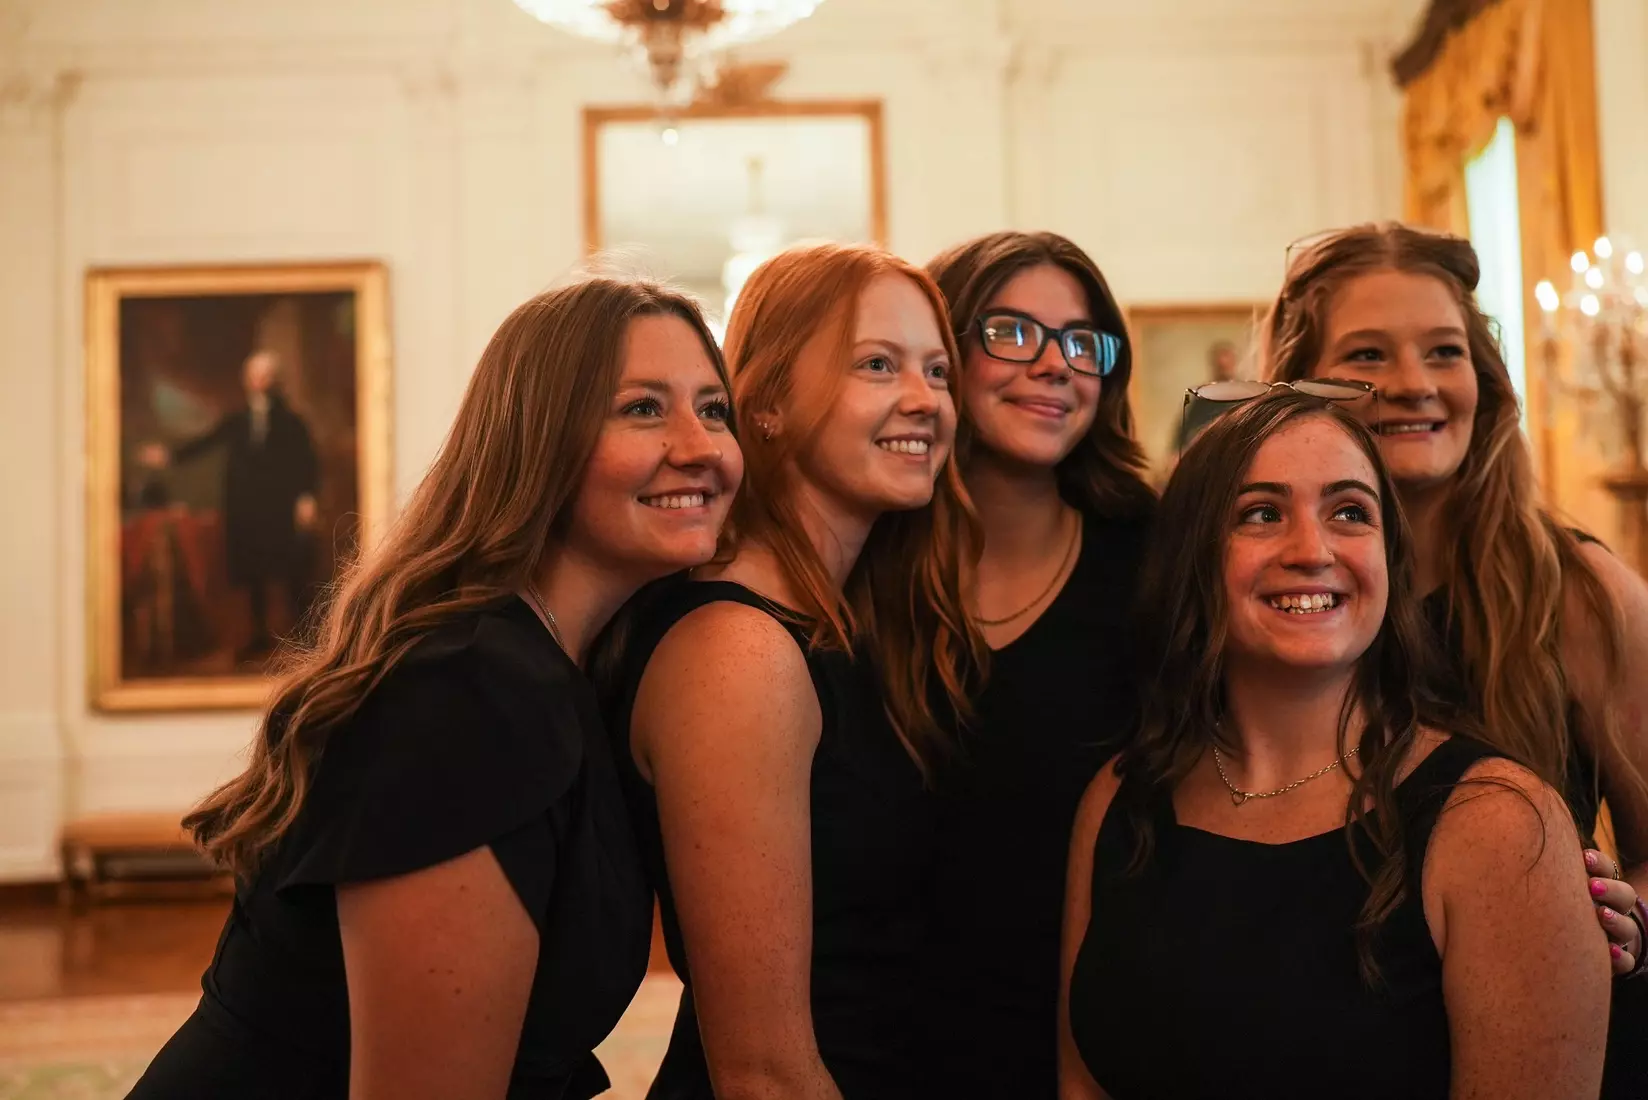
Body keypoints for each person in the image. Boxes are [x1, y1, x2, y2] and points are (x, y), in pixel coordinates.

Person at [128, 275, 743, 1100]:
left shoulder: (565, 670)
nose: (701, 446)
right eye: (642, 408)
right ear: (539, 441)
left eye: (714, 410)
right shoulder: (467, 690)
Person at [1060, 391, 1611, 1099]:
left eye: (1349, 512)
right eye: (1261, 514)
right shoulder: (1118, 799)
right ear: (1192, 557)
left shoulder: (1498, 824)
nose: (1311, 550)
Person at [1263, 222, 1648, 1093]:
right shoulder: (1273, 599)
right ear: (1298, 385)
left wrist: (1636, 914)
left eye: (1443, 351)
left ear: (1483, 376)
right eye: (1367, 353)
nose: (1412, 384)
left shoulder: (1583, 594)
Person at [598, 241, 983, 1099]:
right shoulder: (739, 651)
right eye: (877, 365)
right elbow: (762, 1070)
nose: (924, 400)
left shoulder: (847, 623)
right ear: (765, 402)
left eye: (938, 371)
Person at [916, 231, 1155, 1097]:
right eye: (1011, 332)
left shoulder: (1155, 564)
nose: (1056, 364)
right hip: (879, 1039)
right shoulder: (862, 565)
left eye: (1081, 342)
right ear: (941, 354)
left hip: (1086, 1044)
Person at [139, 349, 321, 663]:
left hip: (279, 508)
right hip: (246, 507)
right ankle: (259, 636)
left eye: (266, 375)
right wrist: (169, 457)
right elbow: (207, 441)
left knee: (291, 570)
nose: (260, 381)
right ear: (246, 380)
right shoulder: (237, 420)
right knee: (252, 573)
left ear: (276, 380)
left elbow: (306, 462)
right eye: (254, 375)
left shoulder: (292, 422)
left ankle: (303, 640)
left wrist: (306, 498)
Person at [1171, 338, 1243, 451]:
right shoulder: (1201, 398)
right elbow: (1184, 432)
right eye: (1220, 367)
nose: (1223, 370)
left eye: (1226, 366)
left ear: (1234, 364)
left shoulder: (1245, 396)